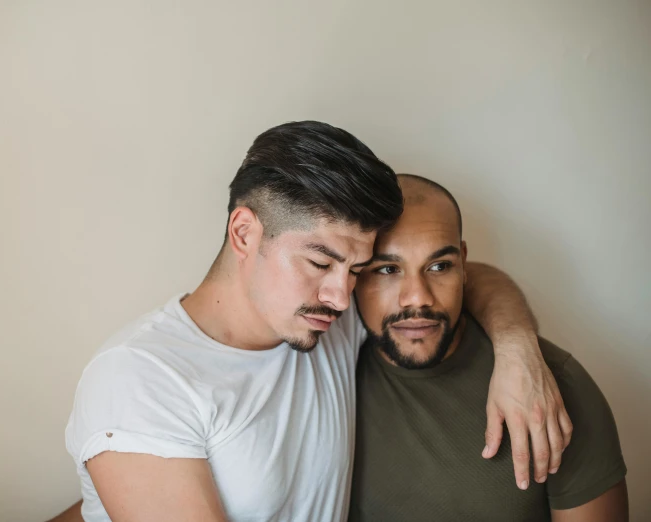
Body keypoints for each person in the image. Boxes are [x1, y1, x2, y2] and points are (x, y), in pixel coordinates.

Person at [62, 121, 571, 522]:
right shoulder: (141, 379)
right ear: (244, 232)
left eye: (358, 270)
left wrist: (518, 352)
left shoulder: (323, 318)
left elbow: (464, 276)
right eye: (321, 262)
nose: (342, 296)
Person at [349, 174, 628, 521]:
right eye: (388, 269)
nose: (418, 297)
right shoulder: (328, 360)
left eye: (439, 267)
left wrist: (515, 344)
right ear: (354, 272)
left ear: (463, 265)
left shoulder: (547, 385)